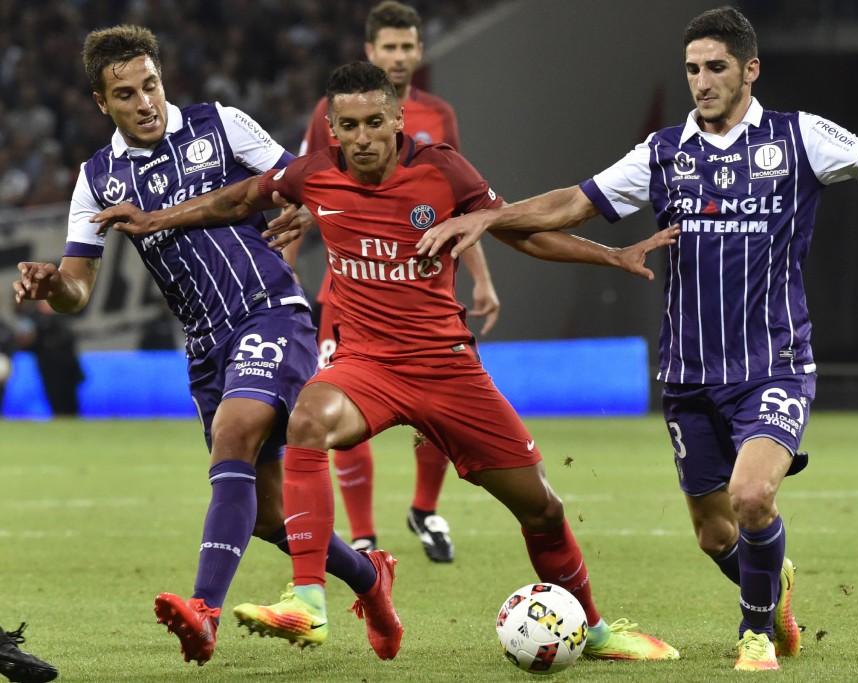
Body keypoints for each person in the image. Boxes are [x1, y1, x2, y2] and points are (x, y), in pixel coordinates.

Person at [414, 6, 858, 672]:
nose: (703, 81)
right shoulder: (662, 153)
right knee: (716, 533)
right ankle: (774, 583)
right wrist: (489, 217)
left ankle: (756, 634)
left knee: (750, 498)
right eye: (692, 68)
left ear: (750, 69)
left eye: (716, 67)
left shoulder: (798, 137)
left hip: (775, 363)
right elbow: (573, 201)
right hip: (688, 374)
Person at [92, 60, 681, 662]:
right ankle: (308, 602)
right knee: (306, 421)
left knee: (542, 507)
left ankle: (598, 630)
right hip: (366, 366)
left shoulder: (443, 170)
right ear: (332, 128)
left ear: (399, 118)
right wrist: (153, 219)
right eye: (350, 126)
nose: (365, 137)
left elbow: (519, 232)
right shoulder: (314, 175)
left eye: (376, 122)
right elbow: (238, 198)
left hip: (447, 369)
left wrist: (611, 256)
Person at [11, 26, 400, 666]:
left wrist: (305, 212)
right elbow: (78, 289)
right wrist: (53, 285)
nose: (145, 103)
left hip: (270, 311)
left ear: (164, 79)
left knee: (236, 430)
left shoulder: (219, 126)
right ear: (100, 102)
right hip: (204, 347)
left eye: (151, 85)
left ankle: (205, 610)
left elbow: (304, 178)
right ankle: (369, 578)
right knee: (268, 517)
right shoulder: (97, 178)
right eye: (126, 94)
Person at [290, 0, 499, 563]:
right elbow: (309, 191)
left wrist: (481, 278)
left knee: (435, 409)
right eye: (390, 47)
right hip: (350, 296)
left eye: (409, 47)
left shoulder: (439, 116)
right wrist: (285, 265)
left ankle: (425, 508)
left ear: (420, 51)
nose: (400, 56)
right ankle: (362, 537)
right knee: (338, 406)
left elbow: (463, 206)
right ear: (371, 52)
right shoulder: (330, 112)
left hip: (423, 288)